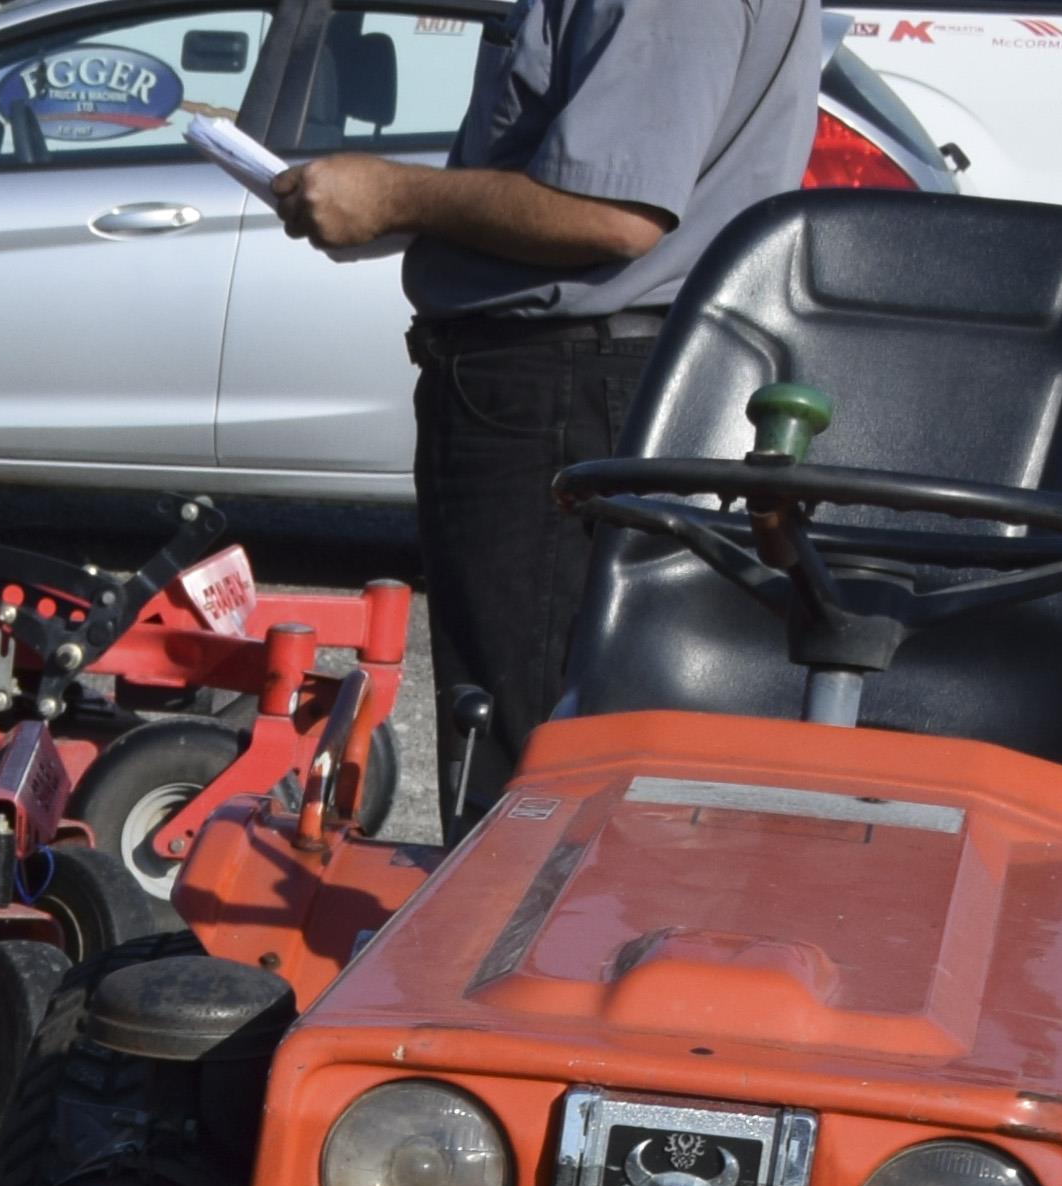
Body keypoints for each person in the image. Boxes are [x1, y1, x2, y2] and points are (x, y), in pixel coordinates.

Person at [263, 0, 828, 830]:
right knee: (557, 739)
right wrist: (400, 209)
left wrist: (395, 195)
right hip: (581, 376)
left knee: (531, 761)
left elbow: (615, 212)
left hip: (569, 385)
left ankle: (515, 953)